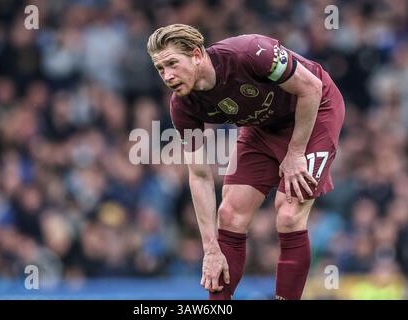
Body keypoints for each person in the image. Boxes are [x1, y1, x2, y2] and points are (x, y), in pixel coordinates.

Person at [147, 24, 345, 300]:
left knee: (288, 214)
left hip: (315, 112)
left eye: (172, 64)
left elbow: (311, 88)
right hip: (261, 127)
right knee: (228, 215)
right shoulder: (183, 106)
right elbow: (200, 175)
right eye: (160, 69)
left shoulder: (250, 53)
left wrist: (296, 153)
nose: (167, 76)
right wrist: (210, 249)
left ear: (195, 55)